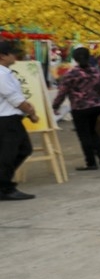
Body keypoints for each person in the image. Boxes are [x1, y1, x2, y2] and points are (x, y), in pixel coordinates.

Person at [51, 47, 100, 171]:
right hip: (96, 106)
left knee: (84, 135)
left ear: (75, 59)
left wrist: (55, 106)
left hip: (80, 108)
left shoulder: (70, 74)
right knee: (93, 131)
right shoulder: (96, 72)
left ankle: (91, 162)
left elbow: (62, 92)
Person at [0, 40, 38, 200]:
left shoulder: (7, 73)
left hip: (11, 118)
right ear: (2, 56)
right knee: (10, 154)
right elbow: (14, 98)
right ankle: (5, 187)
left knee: (22, 149)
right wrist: (31, 113)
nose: (16, 55)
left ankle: (4, 184)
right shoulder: (1, 74)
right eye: (12, 52)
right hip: (6, 119)